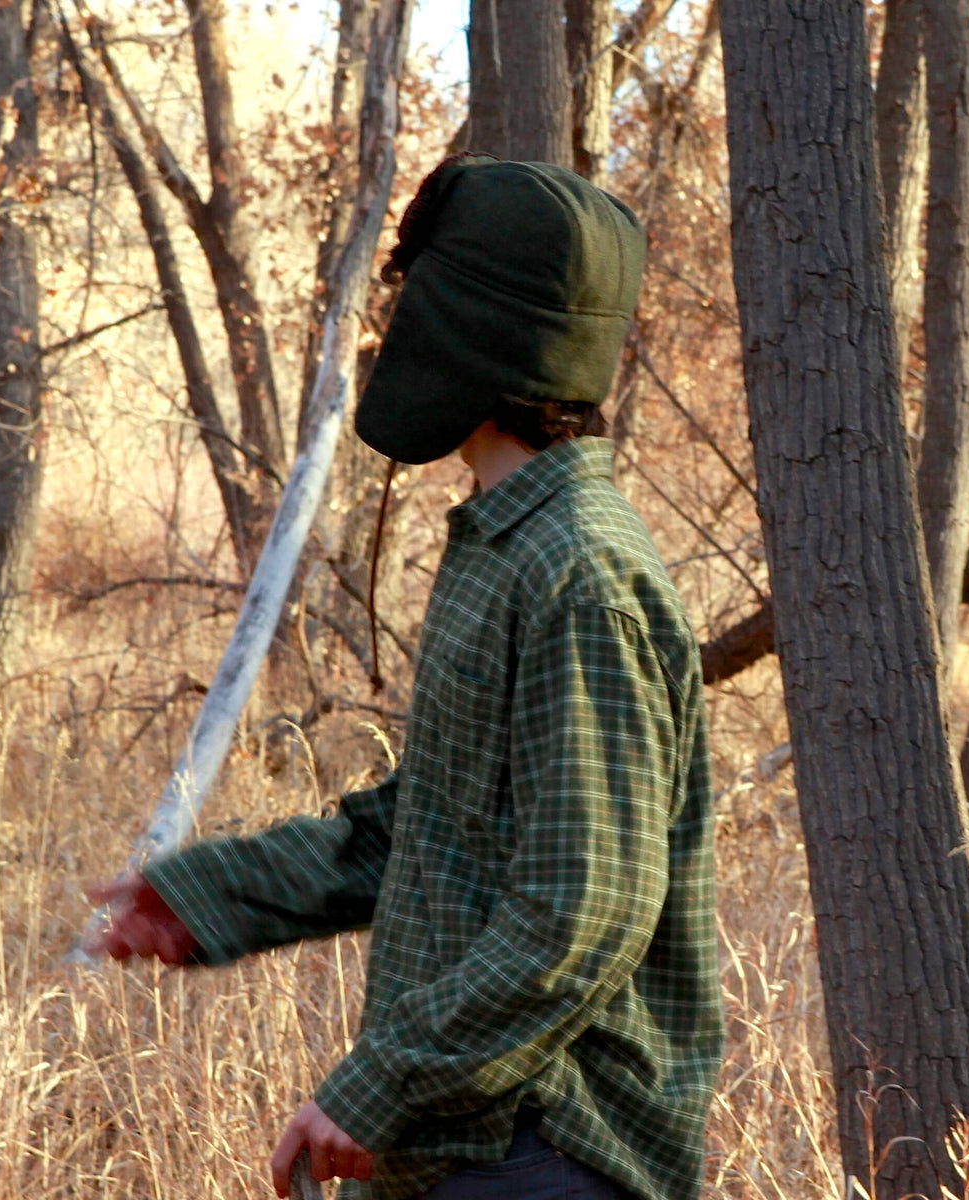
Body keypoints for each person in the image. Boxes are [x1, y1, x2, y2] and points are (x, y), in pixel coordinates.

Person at [87, 156, 724, 1200]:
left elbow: (585, 910)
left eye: (415, 298)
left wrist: (377, 1089)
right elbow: (435, 831)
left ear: (472, 322)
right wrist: (213, 896)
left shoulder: (582, 572)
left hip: (550, 1149)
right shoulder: (511, 546)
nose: (395, 326)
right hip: (480, 1144)